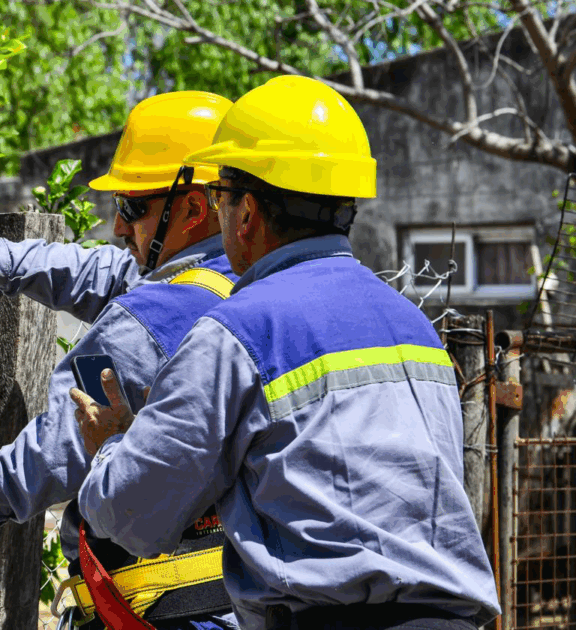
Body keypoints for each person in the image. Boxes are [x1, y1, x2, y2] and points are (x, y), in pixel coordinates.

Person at [72, 76, 501, 630]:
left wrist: (112, 447)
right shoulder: (413, 327)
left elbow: (132, 516)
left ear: (247, 212)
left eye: (220, 197)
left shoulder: (235, 333)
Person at [0, 91, 244, 629]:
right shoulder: (240, 284)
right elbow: (107, 273)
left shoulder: (151, 322)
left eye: (133, 208)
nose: (118, 226)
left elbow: (50, 456)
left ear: (195, 209)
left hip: (162, 614)